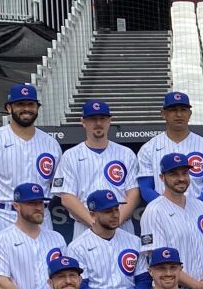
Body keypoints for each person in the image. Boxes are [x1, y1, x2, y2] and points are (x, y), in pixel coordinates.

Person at [0, 84, 61, 222]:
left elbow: (57, 186)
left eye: (30, 104)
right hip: (3, 215)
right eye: (20, 104)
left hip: (41, 216)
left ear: (37, 108)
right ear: (9, 108)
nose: (26, 109)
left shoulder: (51, 144)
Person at [55, 100, 140, 239]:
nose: (98, 123)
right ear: (83, 122)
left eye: (102, 119)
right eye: (93, 119)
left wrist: (116, 221)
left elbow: (134, 194)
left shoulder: (126, 154)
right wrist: (94, 223)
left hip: (122, 226)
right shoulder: (70, 155)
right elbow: (67, 197)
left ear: (109, 121)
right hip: (85, 226)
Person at [139, 153, 203, 289]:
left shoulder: (202, 207)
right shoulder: (154, 211)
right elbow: (160, 261)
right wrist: (198, 286)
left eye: (185, 173)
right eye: (174, 174)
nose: (181, 178)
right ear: (162, 177)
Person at [136, 92, 203, 208]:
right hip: (163, 214)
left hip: (198, 214)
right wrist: (167, 209)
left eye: (183, 110)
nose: (179, 114)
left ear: (190, 113)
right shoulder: (148, 148)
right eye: (173, 110)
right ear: (163, 114)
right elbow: (146, 188)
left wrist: (196, 210)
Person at [0, 183, 67, 289]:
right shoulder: (0, 240)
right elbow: (0, 284)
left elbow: (64, 277)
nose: (38, 208)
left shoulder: (57, 238)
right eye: (31, 203)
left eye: (40, 203)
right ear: (16, 206)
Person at [68, 189, 150, 289]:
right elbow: (81, 286)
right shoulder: (77, 247)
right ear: (93, 215)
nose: (115, 215)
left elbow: (144, 280)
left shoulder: (134, 241)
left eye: (116, 209)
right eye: (108, 211)